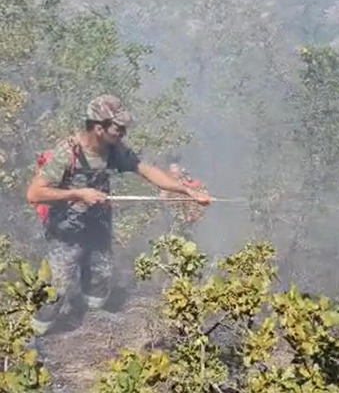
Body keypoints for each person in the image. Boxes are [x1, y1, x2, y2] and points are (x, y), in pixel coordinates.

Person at [26, 95, 212, 335]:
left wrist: (186, 190)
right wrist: (78, 193)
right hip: (66, 234)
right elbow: (34, 193)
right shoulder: (68, 153)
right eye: (118, 128)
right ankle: (35, 336)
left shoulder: (114, 150)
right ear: (99, 128)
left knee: (100, 277)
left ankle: (89, 324)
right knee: (56, 290)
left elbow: (146, 170)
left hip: (98, 225)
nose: (123, 133)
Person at [159, 157, 208, 238]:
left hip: (190, 217)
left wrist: (193, 214)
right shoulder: (167, 183)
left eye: (176, 167)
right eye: (172, 168)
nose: (174, 171)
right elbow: (163, 198)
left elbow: (200, 196)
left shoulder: (190, 182)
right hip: (173, 216)